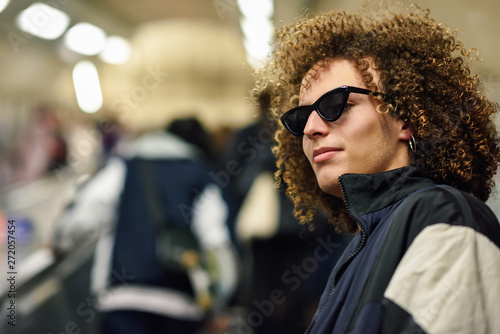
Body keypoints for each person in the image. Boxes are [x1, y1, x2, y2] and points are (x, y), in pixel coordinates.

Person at [254, 4, 500, 334]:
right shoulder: (359, 245)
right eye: (301, 117)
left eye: (335, 105)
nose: (312, 127)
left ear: (406, 118)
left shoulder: (443, 215)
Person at [52, 117, 239, 333]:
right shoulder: (202, 176)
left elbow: (87, 211)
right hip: (180, 306)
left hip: (124, 300)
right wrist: (220, 305)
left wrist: (58, 240)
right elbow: (216, 241)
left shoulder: (125, 167)